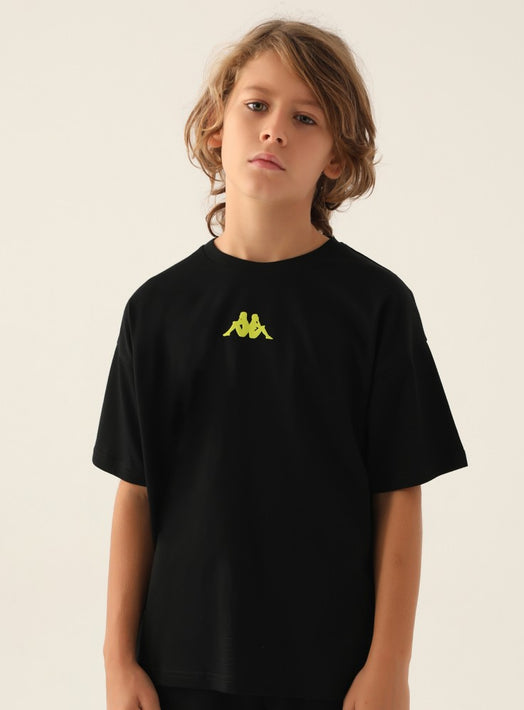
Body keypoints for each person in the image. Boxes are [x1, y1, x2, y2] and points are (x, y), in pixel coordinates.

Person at [92, 18, 468, 710]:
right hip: (178, 669)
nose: (274, 131)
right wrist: (118, 662)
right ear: (217, 127)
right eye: (257, 105)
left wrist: (389, 666)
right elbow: (135, 494)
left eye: (305, 117)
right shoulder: (157, 309)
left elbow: (398, 495)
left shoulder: (375, 307)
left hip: (329, 672)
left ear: (336, 157)